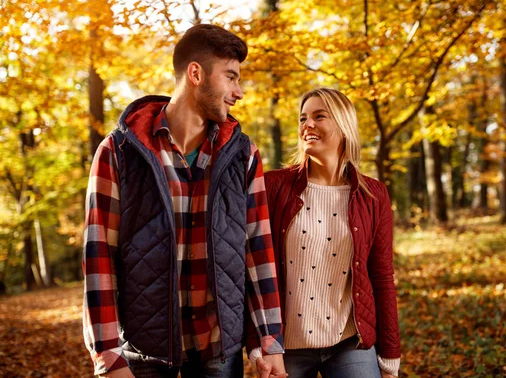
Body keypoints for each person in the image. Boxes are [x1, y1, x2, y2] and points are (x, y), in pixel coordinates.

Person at [82, 24, 286, 378]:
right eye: (231, 77)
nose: (239, 92)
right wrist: (108, 357)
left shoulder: (244, 155)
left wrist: (268, 341)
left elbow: (257, 250)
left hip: (218, 348)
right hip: (144, 353)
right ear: (195, 73)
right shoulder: (119, 151)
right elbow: (99, 255)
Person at [248, 88, 401, 377]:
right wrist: (261, 344)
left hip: (348, 342)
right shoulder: (273, 187)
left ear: (344, 126)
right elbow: (253, 270)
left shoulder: (373, 195)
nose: (308, 124)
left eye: (320, 116)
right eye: (303, 118)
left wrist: (390, 354)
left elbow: (381, 276)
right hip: (285, 347)